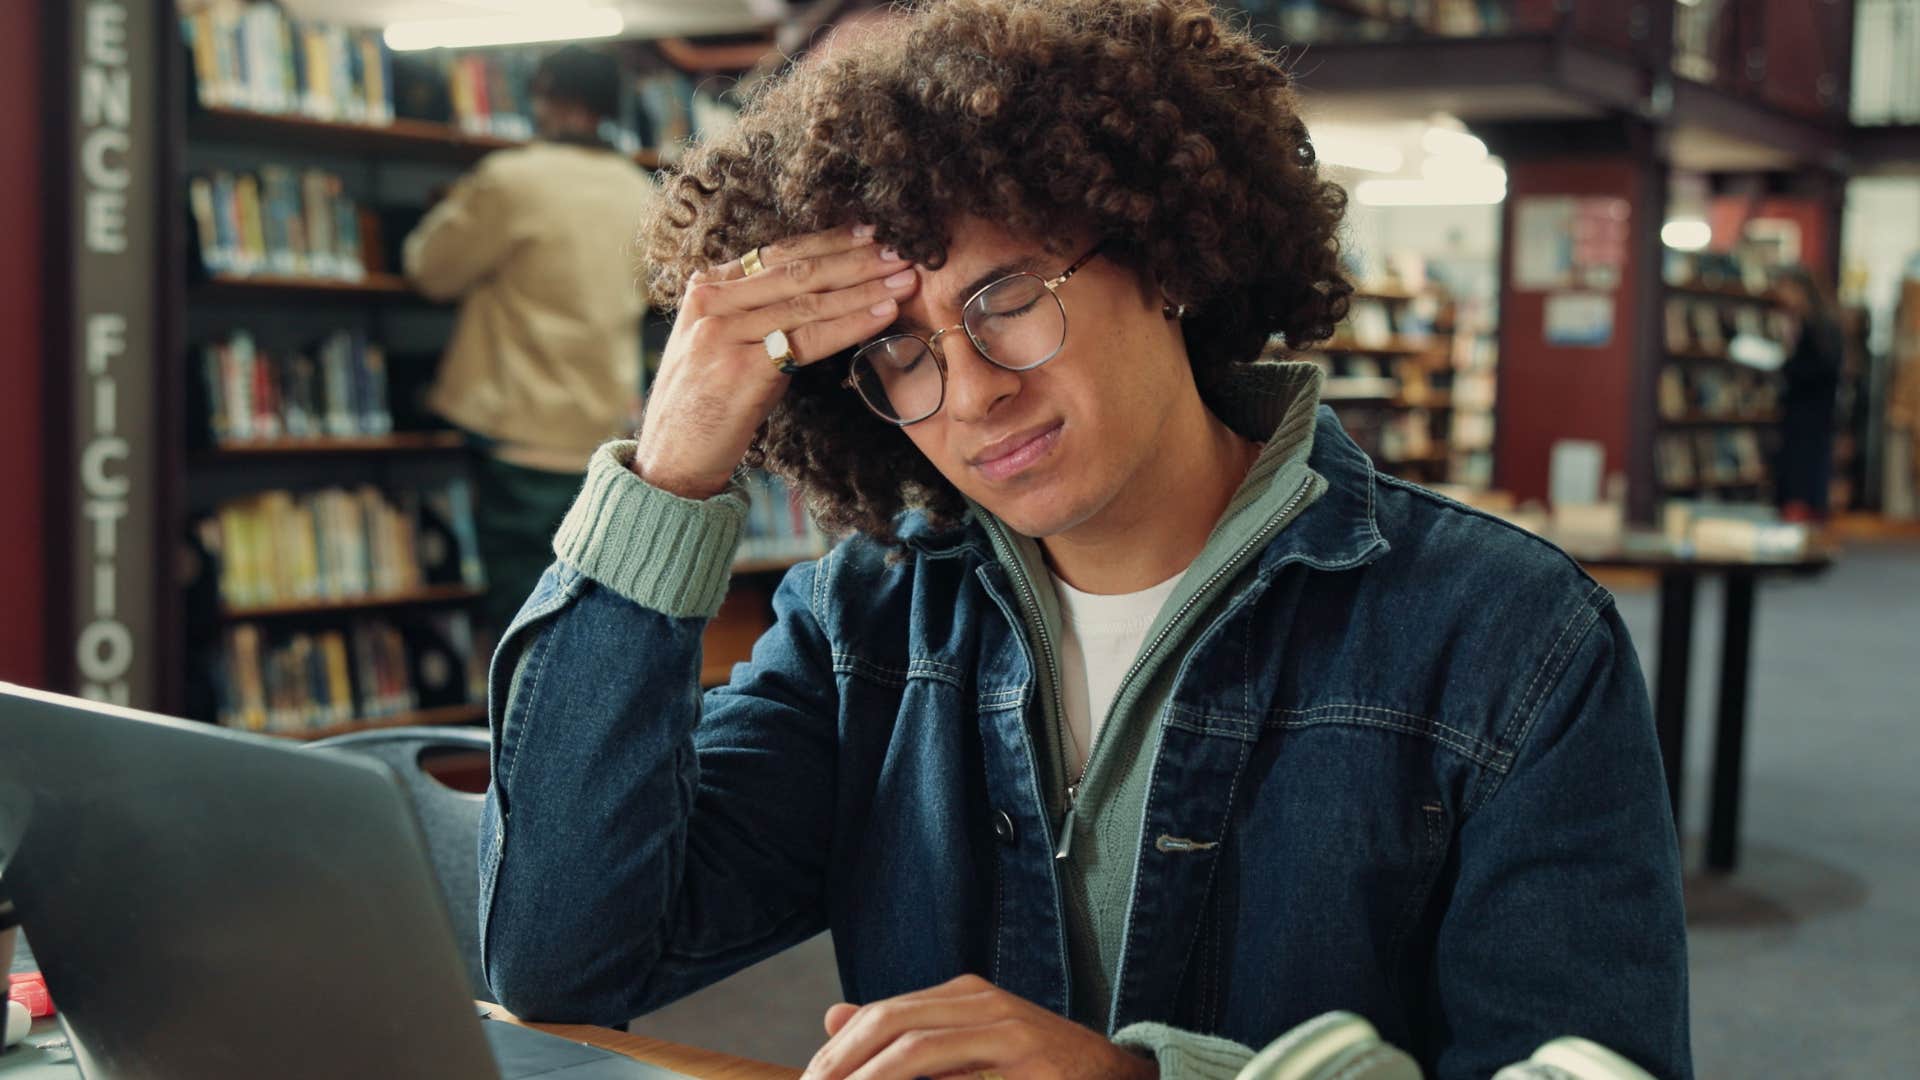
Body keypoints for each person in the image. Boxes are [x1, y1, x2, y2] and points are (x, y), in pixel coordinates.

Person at [477, 3, 1691, 1078]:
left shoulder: (1506, 640)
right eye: (900, 352)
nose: (970, 394)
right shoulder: (867, 625)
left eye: (1006, 301)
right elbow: (564, 964)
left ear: (1165, 257)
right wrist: (673, 469)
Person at [403, 45, 657, 633]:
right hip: (605, 430)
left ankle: (517, 727)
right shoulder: (642, 191)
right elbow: (654, 293)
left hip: (517, 426)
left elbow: (430, 270)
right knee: (593, 611)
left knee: (520, 614)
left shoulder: (511, 181)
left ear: (548, 95)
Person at [1771, 265, 1846, 523]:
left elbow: (1820, 370)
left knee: (1803, 478)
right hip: (1810, 415)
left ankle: (1801, 534)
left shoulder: (1819, 327)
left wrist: (1785, 361)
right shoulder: (1818, 324)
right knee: (1805, 477)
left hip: (1809, 416)